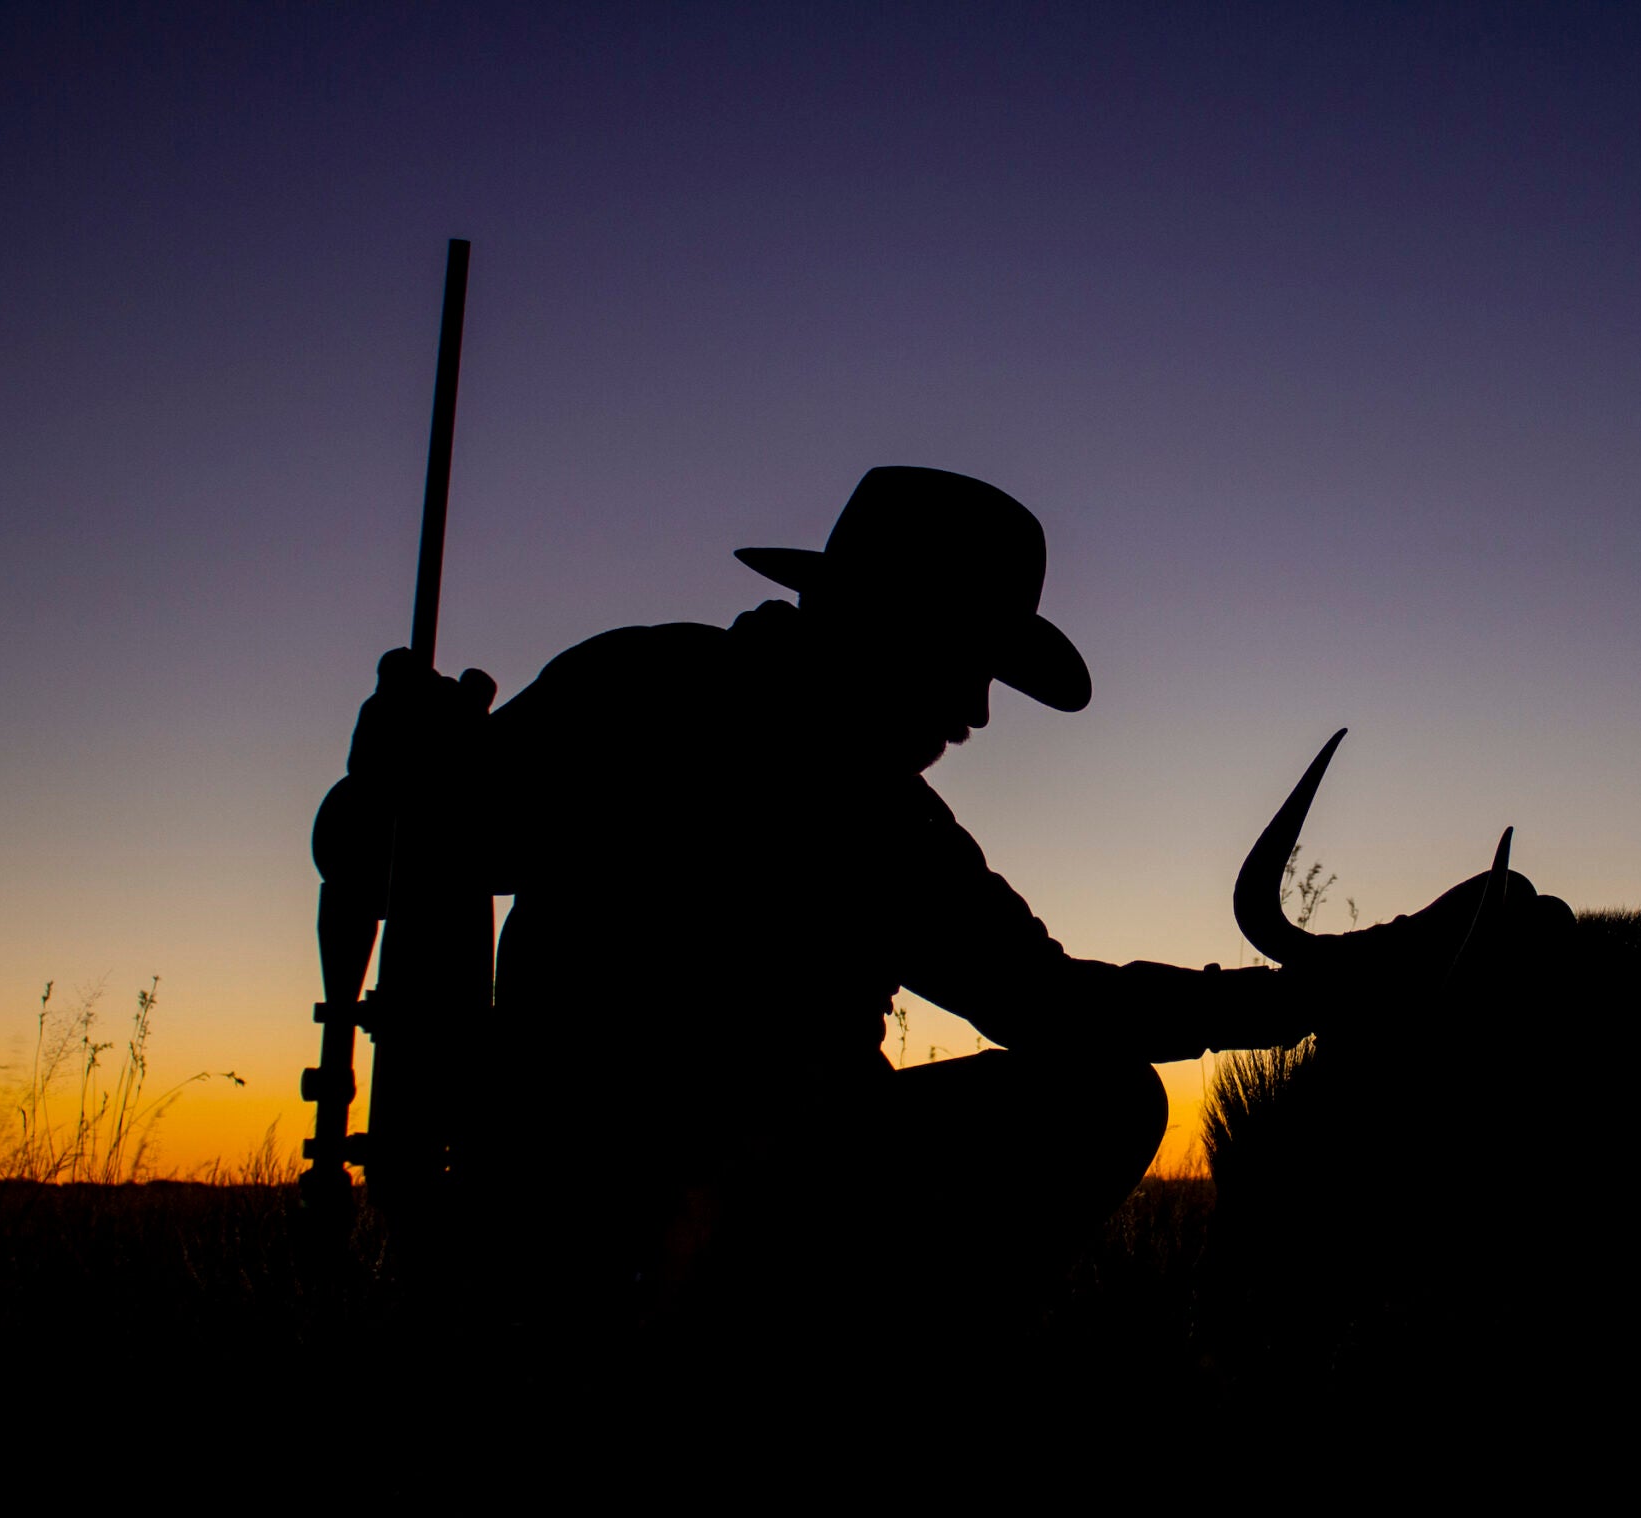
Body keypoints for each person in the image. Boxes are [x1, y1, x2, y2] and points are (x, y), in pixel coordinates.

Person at [459, 466, 1328, 1384]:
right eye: (969, 658)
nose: (982, 712)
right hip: (621, 1194)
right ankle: (877, 1381)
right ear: (891, 621)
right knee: (1106, 1102)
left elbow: (1043, 998)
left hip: (742, 1188)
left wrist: (1283, 1002)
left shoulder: (683, 702)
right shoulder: (673, 705)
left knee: (1100, 1097)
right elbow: (403, 848)